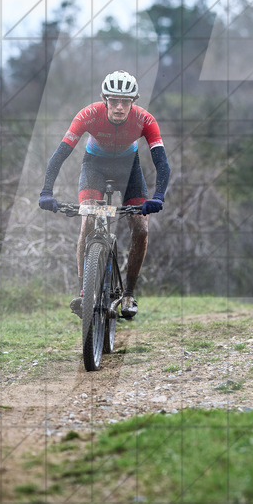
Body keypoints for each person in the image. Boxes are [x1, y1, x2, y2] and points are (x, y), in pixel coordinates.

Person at [38, 70, 170, 320]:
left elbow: (162, 162)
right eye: (113, 100)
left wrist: (158, 197)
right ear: (105, 100)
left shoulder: (145, 119)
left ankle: (128, 294)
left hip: (129, 169)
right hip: (94, 167)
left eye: (125, 101)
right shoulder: (88, 115)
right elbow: (60, 154)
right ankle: (84, 292)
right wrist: (46, 191)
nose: (119, 107)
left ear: (134, 102)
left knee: (141, 228)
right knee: (88, 220)